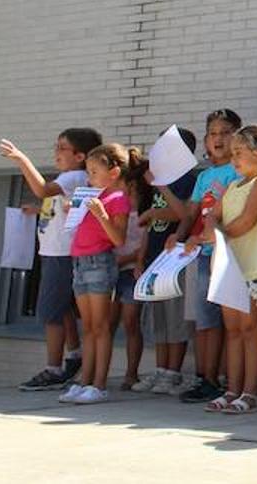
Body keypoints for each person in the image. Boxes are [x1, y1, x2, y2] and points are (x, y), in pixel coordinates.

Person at [0, 128, 102, 392]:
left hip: (61, 253)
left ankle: (54, 368)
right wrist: (36, 210)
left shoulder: (74, 176)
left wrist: (22, 160)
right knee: (61, 307)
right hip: (54, 252)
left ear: (79, 156)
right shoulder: (71, 177)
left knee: (50, 313)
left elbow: (43, 190)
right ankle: (74, 354)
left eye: (61, 148)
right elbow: (56, 205)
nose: (56, 153)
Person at [200, 123, 257, 415]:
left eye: (240, 152)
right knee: (233, 330)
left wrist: (217, 231)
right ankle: (232, 389)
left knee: (251, 329)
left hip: (253, 266)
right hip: (229, 266)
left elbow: (245, 222)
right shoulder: (233, 185)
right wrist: (210, 226)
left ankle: (251, 391)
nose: (234, 158)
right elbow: (213, 214)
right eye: (232, 152)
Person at [167, 108, 242, 403]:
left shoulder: (239, 171)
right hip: (201, 253)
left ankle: (224, 377)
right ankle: (204, 376)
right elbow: (191, 213)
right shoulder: (205, 175)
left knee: (228, 321)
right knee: (204, 319)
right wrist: (179, 234)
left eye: (225, 133)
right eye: (213, 134)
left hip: (229, 255)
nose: (218, 139)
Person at [60, 142, 139, 404]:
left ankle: (99, 384)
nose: (89, 177)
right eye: (88, 172)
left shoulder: (118, 199)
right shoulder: (88, 196)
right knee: (89, 327)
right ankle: (85, 381)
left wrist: (101, 213)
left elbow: (117, 239)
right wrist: (72, 211)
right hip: (79, 262)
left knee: (102, 326)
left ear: (113, 173)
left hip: (99, 263)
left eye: (94, 171)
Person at [132, 126, 198, 395]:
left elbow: (184, 214)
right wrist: (140, 260)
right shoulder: (158, 178)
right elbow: (149, 223)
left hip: (177, 257)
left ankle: (173, 372)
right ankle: (160, 370)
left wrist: (158, 193)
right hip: (155, 258)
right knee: (158, 318)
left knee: (175, 317)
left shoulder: (188, 179)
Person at [112, 163, 153, 389]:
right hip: (112, 271)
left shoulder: (144, 215)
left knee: (130, 323)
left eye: (132, 189)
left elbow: (143, 248)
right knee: (106, 324)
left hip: (132, 272)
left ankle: (131, 373)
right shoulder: (118, 210)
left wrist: (128, 260)